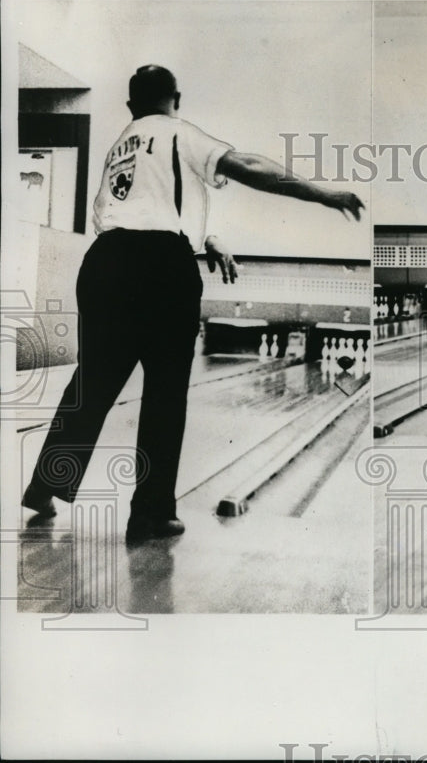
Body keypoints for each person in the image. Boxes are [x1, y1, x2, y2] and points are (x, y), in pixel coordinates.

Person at [21, 65, 364, 543]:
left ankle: (45, 485)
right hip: (161, 266)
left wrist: (208, 240)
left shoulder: (121, 144)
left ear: (130, 105)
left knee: (93, 382)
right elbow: (248, 167)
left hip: (103, 264)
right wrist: (322, 194)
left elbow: (148, 208)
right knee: (165, 392)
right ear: (175, 99)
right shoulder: (179, 132)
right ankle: (151, 513)